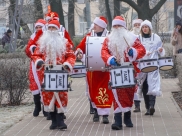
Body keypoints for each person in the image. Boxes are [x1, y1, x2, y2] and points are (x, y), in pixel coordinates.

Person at [101, 16, 146, 130]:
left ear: (124, 27)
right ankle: (117, 120)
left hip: (130, 70)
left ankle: (127, 116)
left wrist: (134, 52)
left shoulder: (132, 38)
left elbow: (142, 50)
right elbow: (103, 51)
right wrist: (110, 59)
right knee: (116, 93)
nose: (117, 28)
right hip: (115, 71)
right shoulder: (108, 39)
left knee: (129, 93)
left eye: (119, 25)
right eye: (115, 26)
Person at [32, 19, 76, 130]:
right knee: (48, 96)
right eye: (50, 28)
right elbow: (36, 55)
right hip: (46, 73)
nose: (51, 30)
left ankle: (60, 119)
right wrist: (39, 61)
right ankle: (53, 120)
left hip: (61, 73)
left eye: (54, 28)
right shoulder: (42, 43)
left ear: (57, 30)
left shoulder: (64, 42)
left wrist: (67, 64)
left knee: (61, 95)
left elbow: (71, 56)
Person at [75, 16, 113, 124]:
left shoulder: (109, 36)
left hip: (105, 70)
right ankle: (96, 111)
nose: (94, 26)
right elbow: (79, 48)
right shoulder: (88, 36)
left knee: (106, 90)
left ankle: (105, 114)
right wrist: (79, 53)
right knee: (93, 90)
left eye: (96, 24)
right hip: (92, 70)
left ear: (101, 26)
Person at [138, 20, 165, 116]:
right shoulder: (138, 38)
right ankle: (147, 107)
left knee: (153, 84)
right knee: (144, 85)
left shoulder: (156, 37)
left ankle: (151, 106)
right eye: (143, 27)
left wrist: (161, 50)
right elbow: (136, 51)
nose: (145, 29)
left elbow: (160, 50)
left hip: (153, 64)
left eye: (146, 27)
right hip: (142, 65)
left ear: (150, 28)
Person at [25, 19, 47, 117]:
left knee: (44, 84)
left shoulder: (47, 37)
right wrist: (31, 50)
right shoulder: (32, 37)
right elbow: (27, 51)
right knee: (34, 84)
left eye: (40, 27)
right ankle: (37, 106)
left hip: (44, 64)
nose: (38, 29)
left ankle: (46, 107)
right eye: (37, 27)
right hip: (34, 65)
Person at [131, 18, 143, 112]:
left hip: (144, 62)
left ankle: (148, 103)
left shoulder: (145, 36)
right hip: (134, 64)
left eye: (139, 25)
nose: (137, 26)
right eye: (135, 25)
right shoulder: (130, 36)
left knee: (143, 84)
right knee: (136, 84)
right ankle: (137, 105)